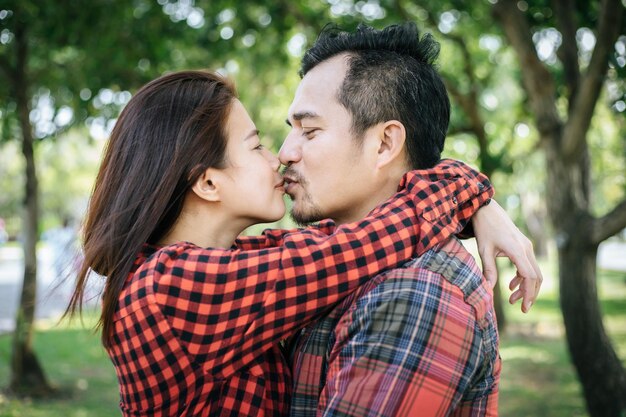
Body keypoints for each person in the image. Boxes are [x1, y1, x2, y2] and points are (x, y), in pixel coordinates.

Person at [65, 70, 502, 417]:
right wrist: (468, 189)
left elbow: (337, 242)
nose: (280, 156)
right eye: (256, 146)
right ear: (208, 181)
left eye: (308, 133)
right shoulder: (171, 286)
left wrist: (475, 200)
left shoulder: (231, 264)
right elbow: (357, 247)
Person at [282, 23, 541, 416]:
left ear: (385, 143)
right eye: (291, 131)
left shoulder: (416, 291)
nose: (285, 152)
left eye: (310, 131)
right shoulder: (333, 255)